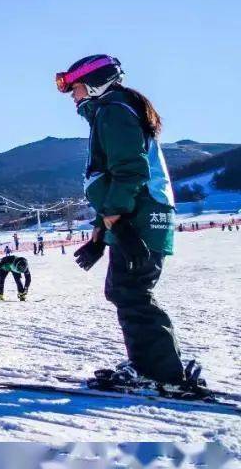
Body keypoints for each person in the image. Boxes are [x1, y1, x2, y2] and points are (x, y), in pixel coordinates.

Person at [58, 54, 203, 393]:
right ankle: (149, 364)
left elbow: (130, 171)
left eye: (75, 89)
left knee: (132, 291)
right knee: (126, 290)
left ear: (95, 84)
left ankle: (162, 372)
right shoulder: (115, 111)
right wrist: (101, 230)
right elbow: (111, 178)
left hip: (139, 215)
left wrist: (118, 221)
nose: (74, 98)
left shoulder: (114, 111)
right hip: (135, 215)